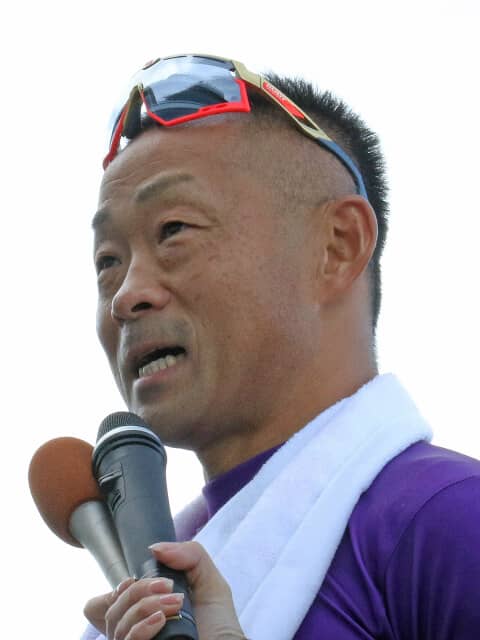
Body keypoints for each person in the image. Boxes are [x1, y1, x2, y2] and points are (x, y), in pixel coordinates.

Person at [82, 55, 480, 640]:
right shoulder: (149, 592)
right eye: (107, 262)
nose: (126, 295)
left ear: (337, 246)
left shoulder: (446, 516)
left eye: (174, 231)